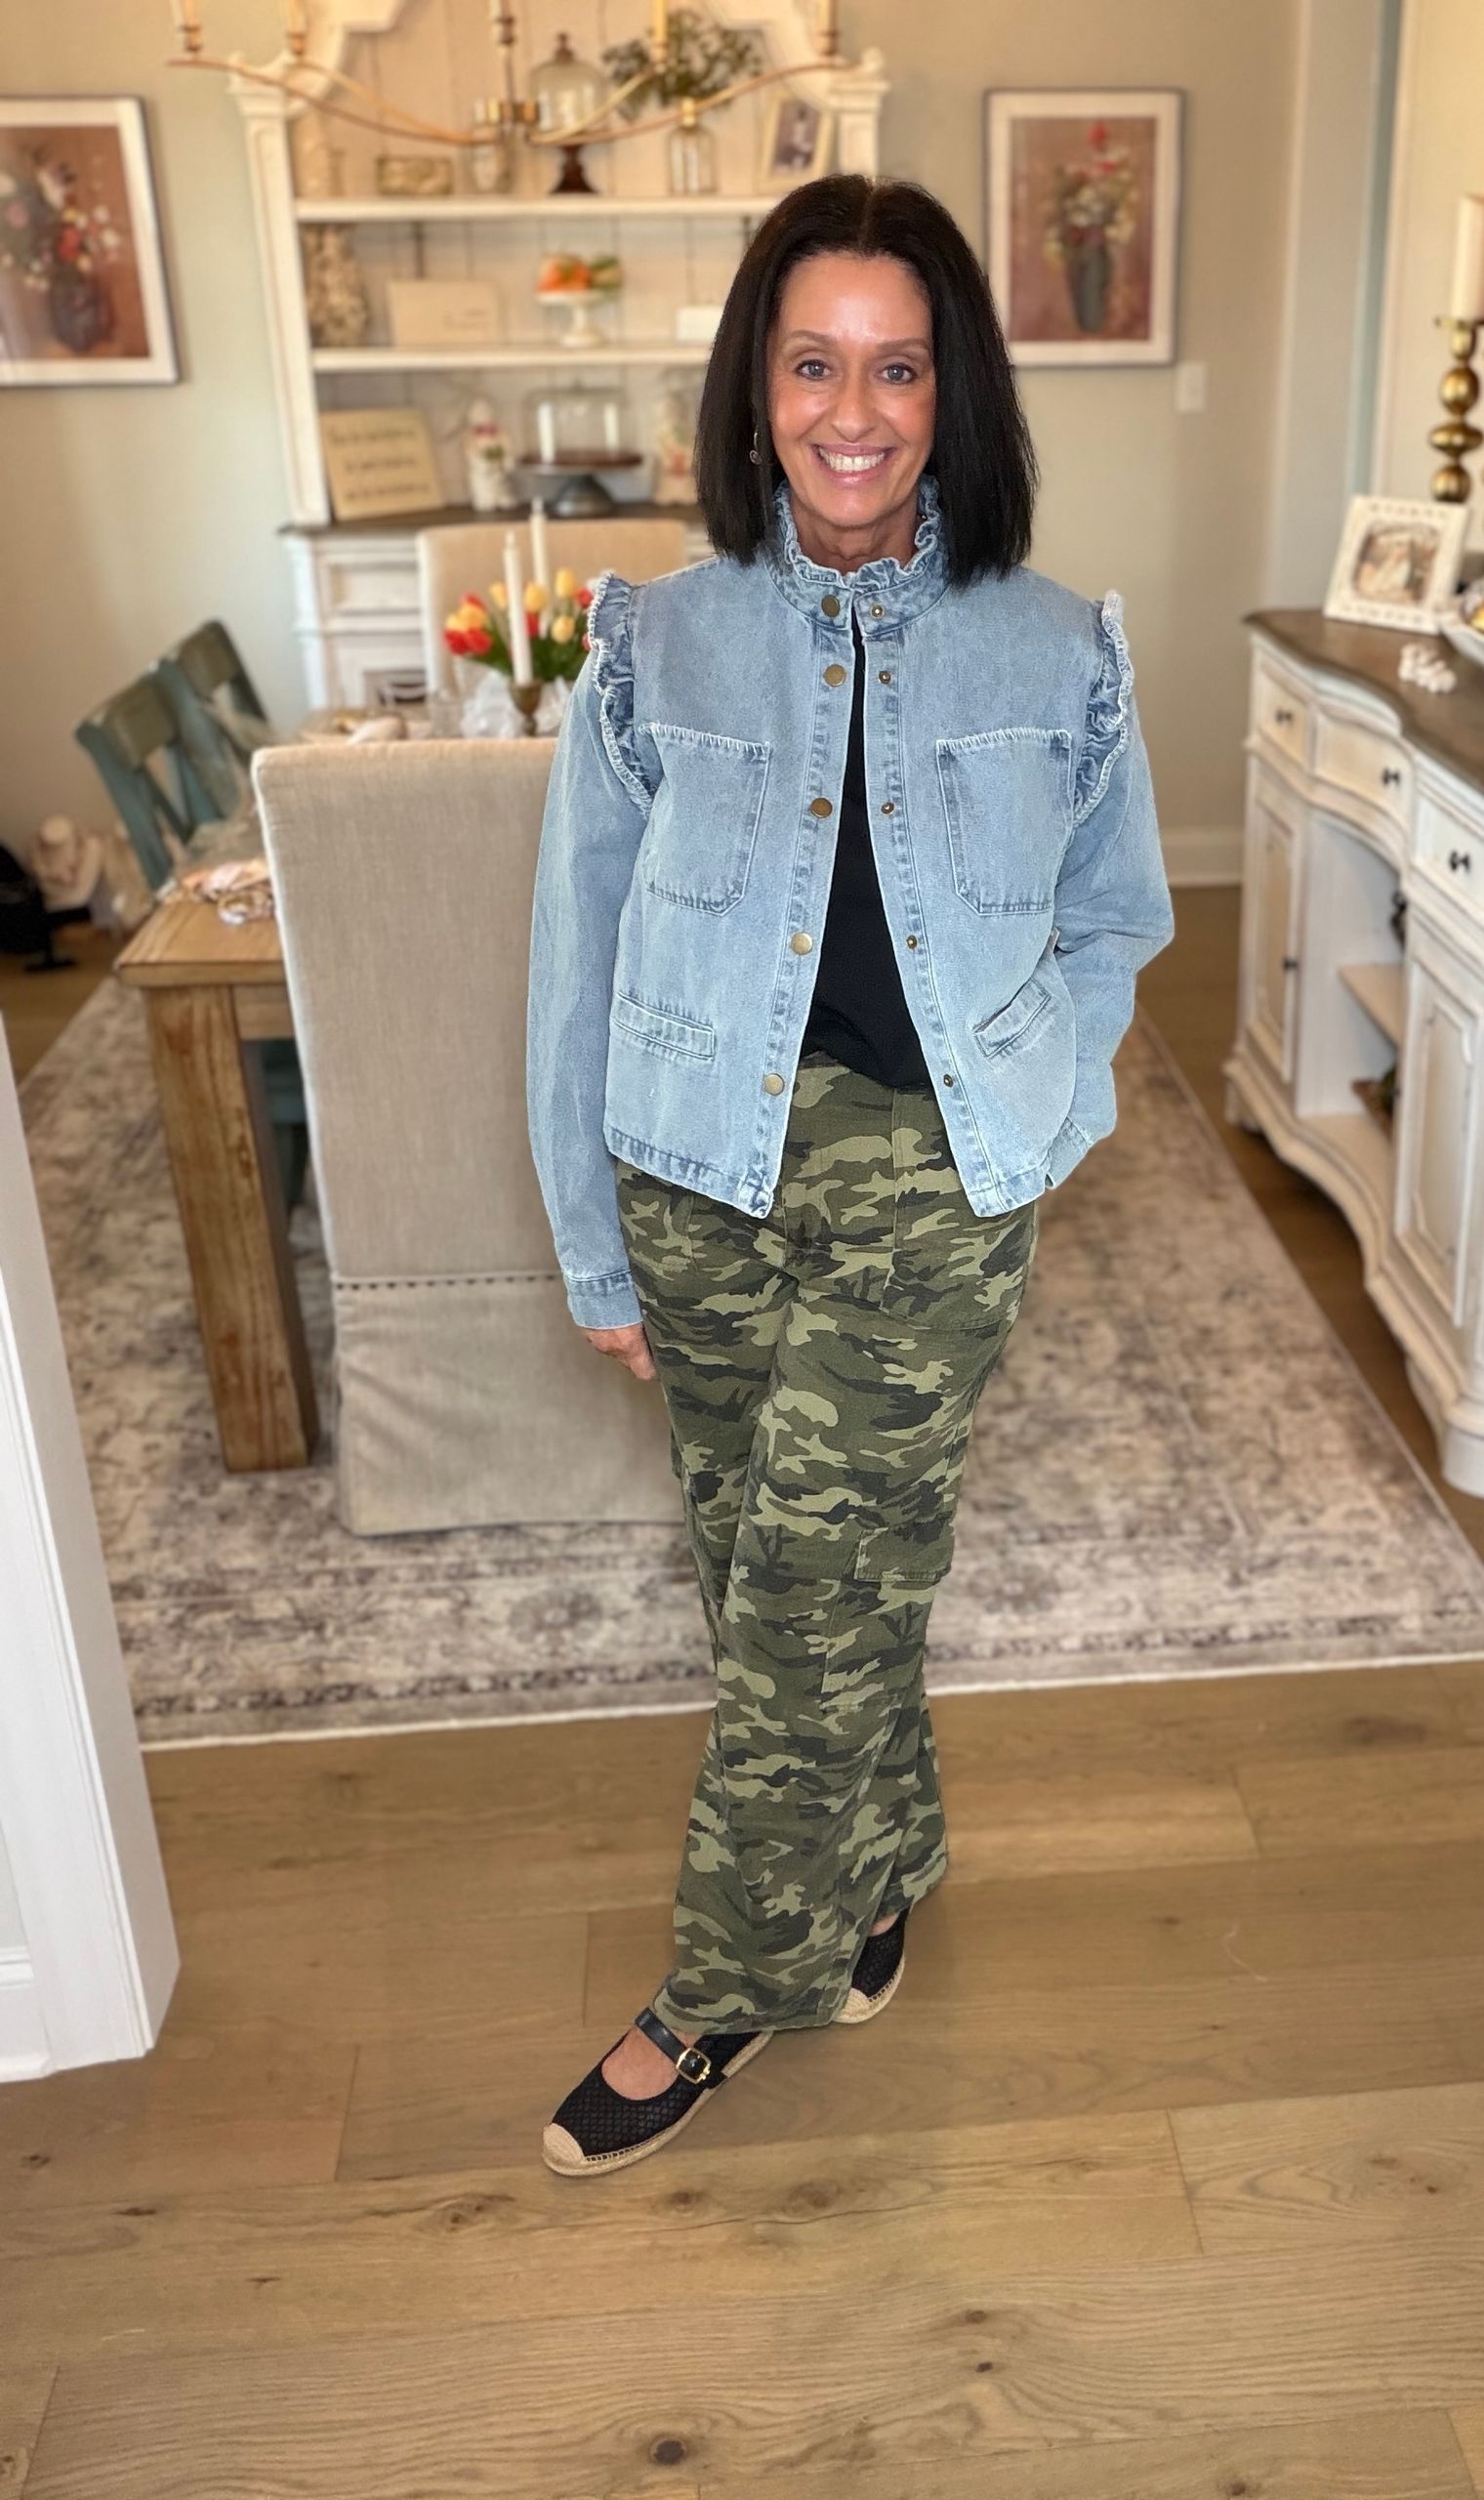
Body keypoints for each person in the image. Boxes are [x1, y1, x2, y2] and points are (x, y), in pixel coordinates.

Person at [524, 172, 1175, 2175]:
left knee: (810, 1593)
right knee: (770, 1582)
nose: (855, 409)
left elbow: (1116, 921)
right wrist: (589, 1240)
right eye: (813, 363)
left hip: (927, 1174)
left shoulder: (1060, 649)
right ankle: (883, 1855)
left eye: (898, 366)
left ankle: (714, 1989)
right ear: (756, 391)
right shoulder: (655, 642)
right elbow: (578, 946)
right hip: (693, 1164)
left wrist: (1036, 1128)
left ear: (952, 390)